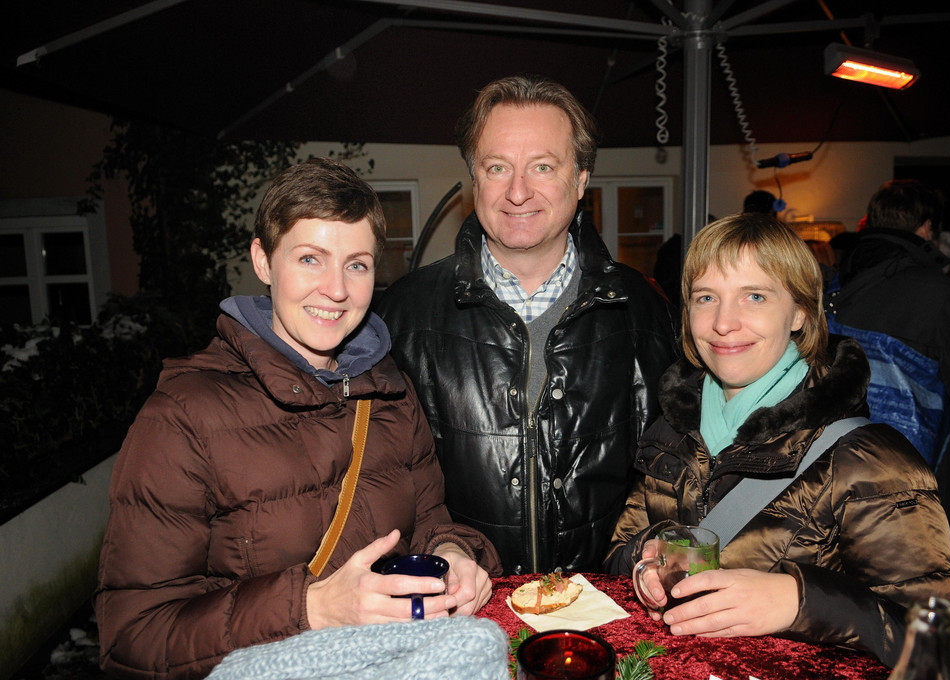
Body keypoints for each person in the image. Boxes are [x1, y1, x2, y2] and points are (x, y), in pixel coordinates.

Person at [95, 158, 501, 680]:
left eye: (357, 265)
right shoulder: (183, 417)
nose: (336, 289)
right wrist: (311, 608)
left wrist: (453, 554)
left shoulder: (392, 395)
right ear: (263, 262)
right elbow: (132, 638)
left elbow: (429, 524)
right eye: (310, 258)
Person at [604, 213, 950, 674]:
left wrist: (801, 601)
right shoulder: (672, 429)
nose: (723, 323)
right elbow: (617, 554)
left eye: (755, 296)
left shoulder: (866, 460)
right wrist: (646, 561)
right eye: (706, 297)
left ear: (800, 311)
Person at [374, 75, 680, 575]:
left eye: (543, 166)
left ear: (580, 179)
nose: (517, 192)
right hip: (461, 606)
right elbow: (381, 487)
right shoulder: (402, 317)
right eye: (497, 167)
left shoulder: (648, 312)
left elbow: (671, 481)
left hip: (610, 607)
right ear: (475, 180)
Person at [827, 179, 950, 571]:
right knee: (933, 609)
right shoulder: (939, 295)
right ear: (926, 229)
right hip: (918, 504)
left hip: (834, 493)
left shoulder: (834, 285)